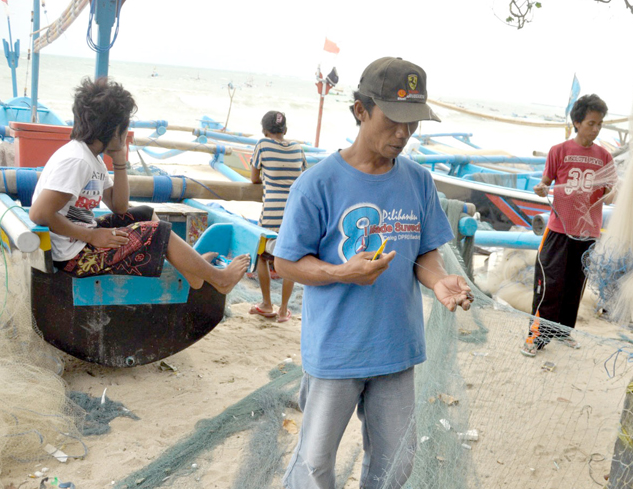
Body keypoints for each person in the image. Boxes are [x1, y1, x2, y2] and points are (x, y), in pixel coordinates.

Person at [273, 57, 474, 489]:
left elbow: (424, 255)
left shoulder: (419, 181)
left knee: (395, 465)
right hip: (335, 352)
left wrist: (439, 280)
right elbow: (285, 262)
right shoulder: (317, 184)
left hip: (396, 348)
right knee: (314, 465)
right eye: (394, 120)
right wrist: (341, 272)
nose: (403, 133)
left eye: (413, 123)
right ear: (361, 111)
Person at [29, 77, 249, 292]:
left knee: (143, 213)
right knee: (156, 231)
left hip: (80, 241)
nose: (127, 135)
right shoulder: (77, 161)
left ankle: (193, 271)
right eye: (124, 128)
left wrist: (120, 161)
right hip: (73, 256)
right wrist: (91, 236)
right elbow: (40, 213)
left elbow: (120, 207)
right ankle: (219, 279)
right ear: (112, 129)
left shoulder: (92, 158)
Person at [522, 94, 616, 357]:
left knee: (575, 285)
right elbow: (545, 183)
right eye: (591, 123)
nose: (596, 129)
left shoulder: (604, 157)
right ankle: (537, 336)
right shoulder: (559, 151)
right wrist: (541, 189)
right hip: (559, 230)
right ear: (577, 122)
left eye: (599, 124)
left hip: (587, 233)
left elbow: (612, 192)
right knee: (549, 284)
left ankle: (563, 332)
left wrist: (613, 194)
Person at [248, 110, 306, 323]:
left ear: (264, 130)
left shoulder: (262, 144)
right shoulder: (298, 148)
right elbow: (303, 177)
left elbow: (254, 178)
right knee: (289, 258)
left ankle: (266, 304)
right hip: (294, 212)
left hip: (271, 211)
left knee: (263, 256)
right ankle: (283, 310)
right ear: (285, 131)